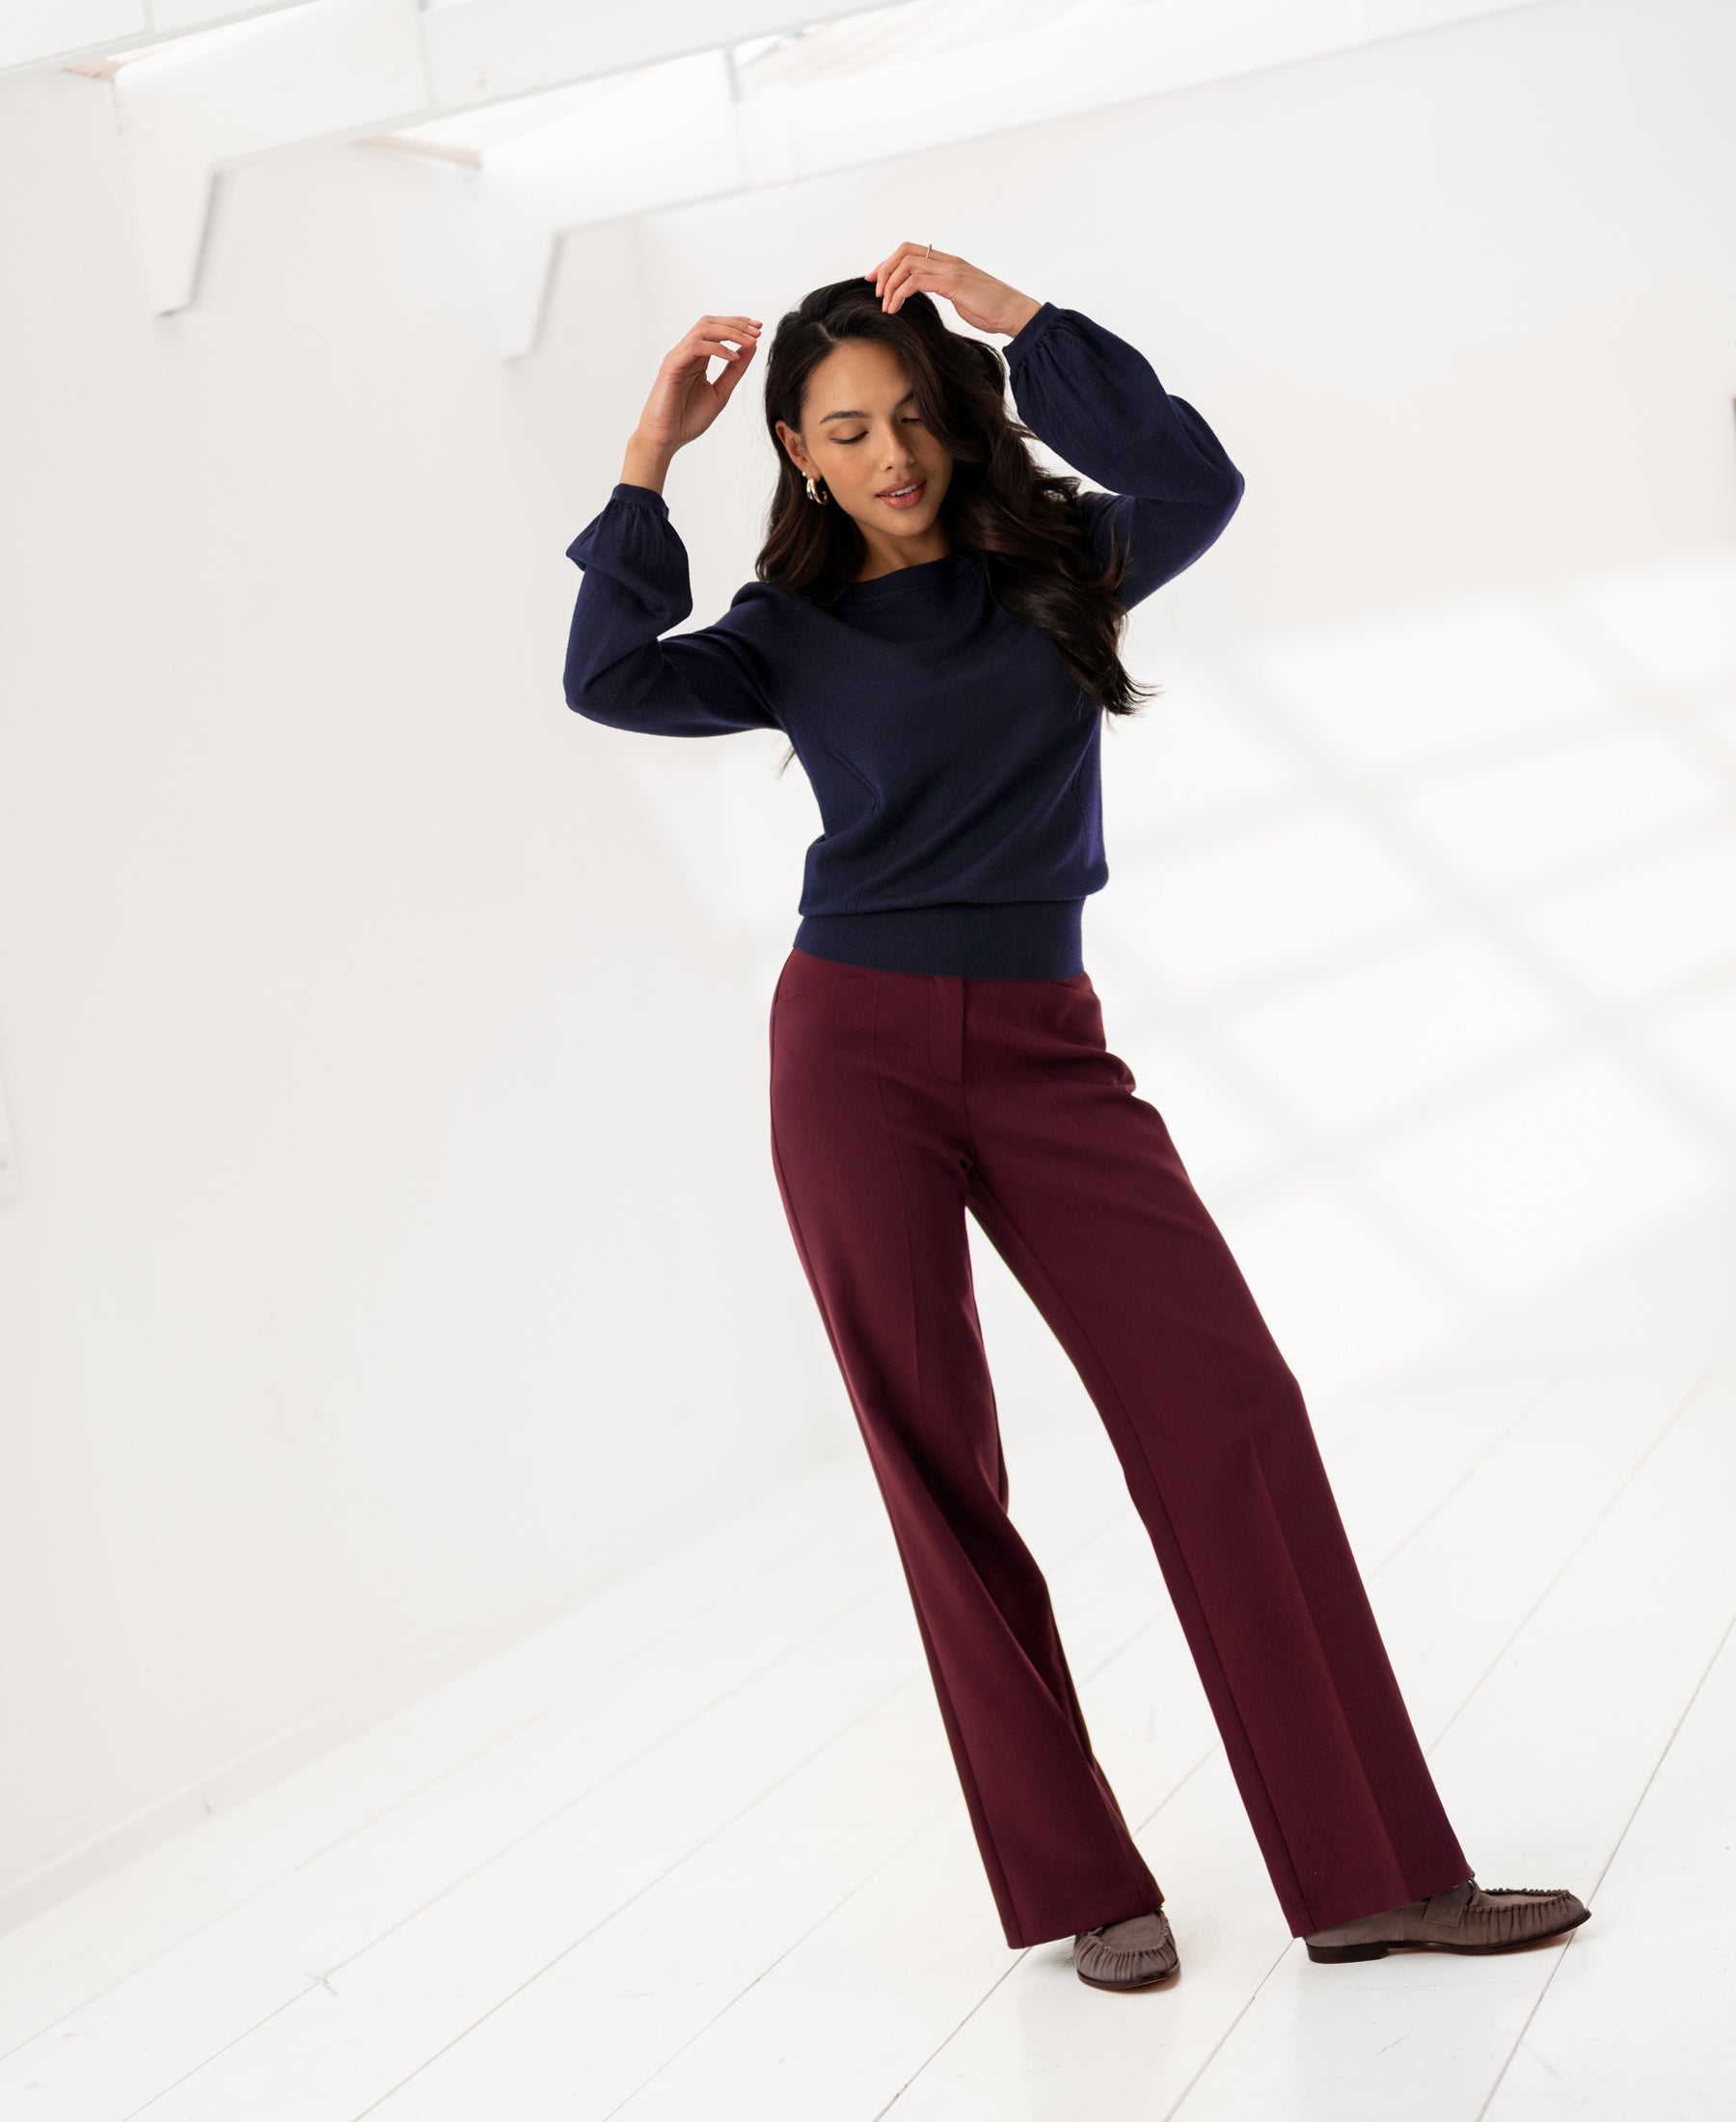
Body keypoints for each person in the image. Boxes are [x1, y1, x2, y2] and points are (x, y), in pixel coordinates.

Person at [560, 243, 1590, 1991]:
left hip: (1049, 1045)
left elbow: (1199, 478)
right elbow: (607, 676)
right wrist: (648, 455)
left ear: (949, 423)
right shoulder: (784, 635)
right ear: (799, 455)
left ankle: (1368, 1876)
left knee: (1230, 1411)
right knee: (933, 1449)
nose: (886, 455)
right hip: (850, 1055)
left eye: (905, 416)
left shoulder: (1060, 567)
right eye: (841, 431)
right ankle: (1079, 1887)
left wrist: (1014, 315)